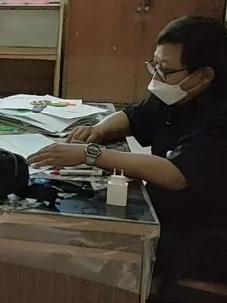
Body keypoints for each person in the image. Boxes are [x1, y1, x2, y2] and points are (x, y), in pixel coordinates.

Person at [27, 15, 227, 290]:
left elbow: (176, 174)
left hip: (201, 232)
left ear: (203, 74)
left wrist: (91, 153)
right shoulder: (178, 91)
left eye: (165, 69)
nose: (157, 77)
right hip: (164, 208)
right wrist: (98, 130)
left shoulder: (219, 114)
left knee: (84, 251)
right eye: (154, 65)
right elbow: (134, 117)